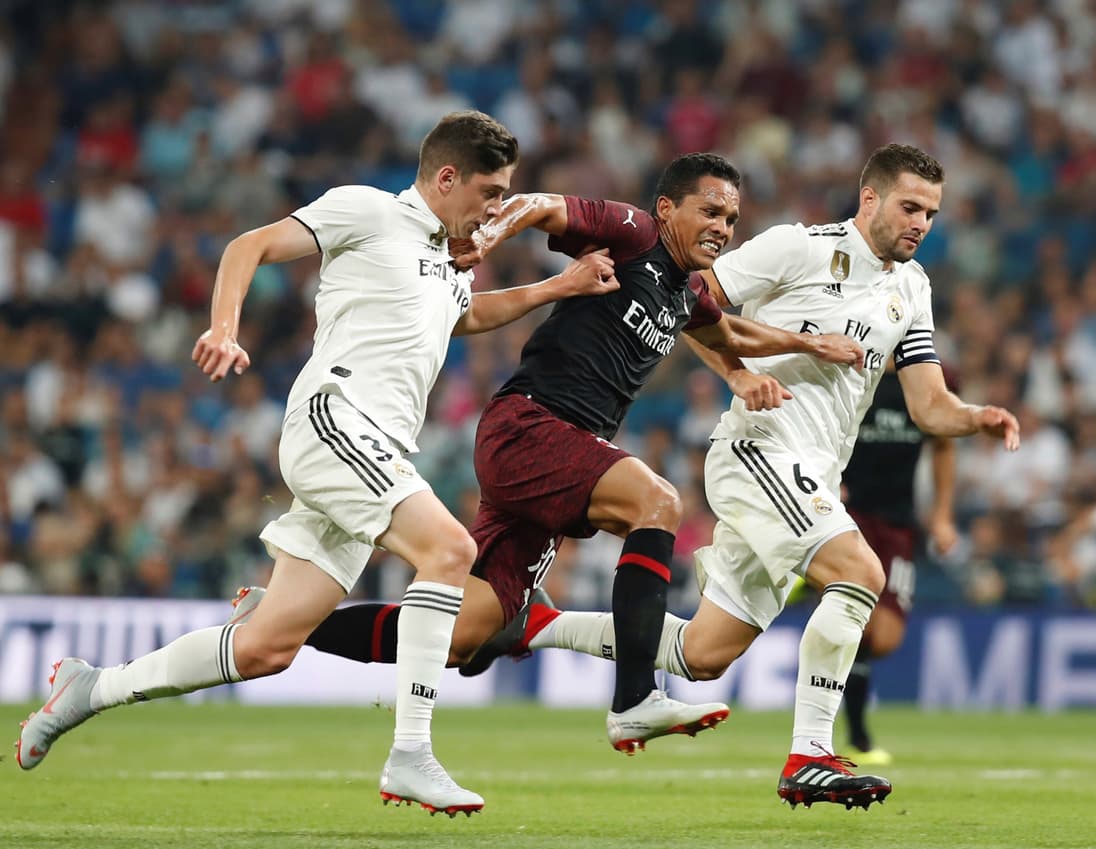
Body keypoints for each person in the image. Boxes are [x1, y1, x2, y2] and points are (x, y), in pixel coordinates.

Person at [297, 144, 1021, 810]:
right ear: (870, 198)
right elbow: (678, 280)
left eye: (931, 211)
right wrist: (741, 377)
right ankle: (803, 752)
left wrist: (975, 417)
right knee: (848, 569)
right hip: (755, 451)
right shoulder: (790, 246)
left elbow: (920, 401)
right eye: (909, 206)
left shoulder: (912, 289)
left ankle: (493, 626)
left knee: (693, 654)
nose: (921, 222)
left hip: (802, 471)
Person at [15, 111, 621, 816]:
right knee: (449, 548)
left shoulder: (447, 259)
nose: (497, 209)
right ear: (446, 177)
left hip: (378, 449)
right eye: (489, 192)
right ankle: (411, 755)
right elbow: (249, 245)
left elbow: (462, 316)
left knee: (268, 647)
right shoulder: (367, 210)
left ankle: (91, 689)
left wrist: (554, 289)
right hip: (335, 419)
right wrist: (223, 326)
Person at [834, 359, 958, 766]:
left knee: (884, 637)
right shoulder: (851, 372)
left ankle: (809, 585)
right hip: (849, 516)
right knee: (860, 625)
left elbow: (942, 445)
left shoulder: (923, 380)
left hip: (899, 523)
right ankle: (858, 737)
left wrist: (941, 515)